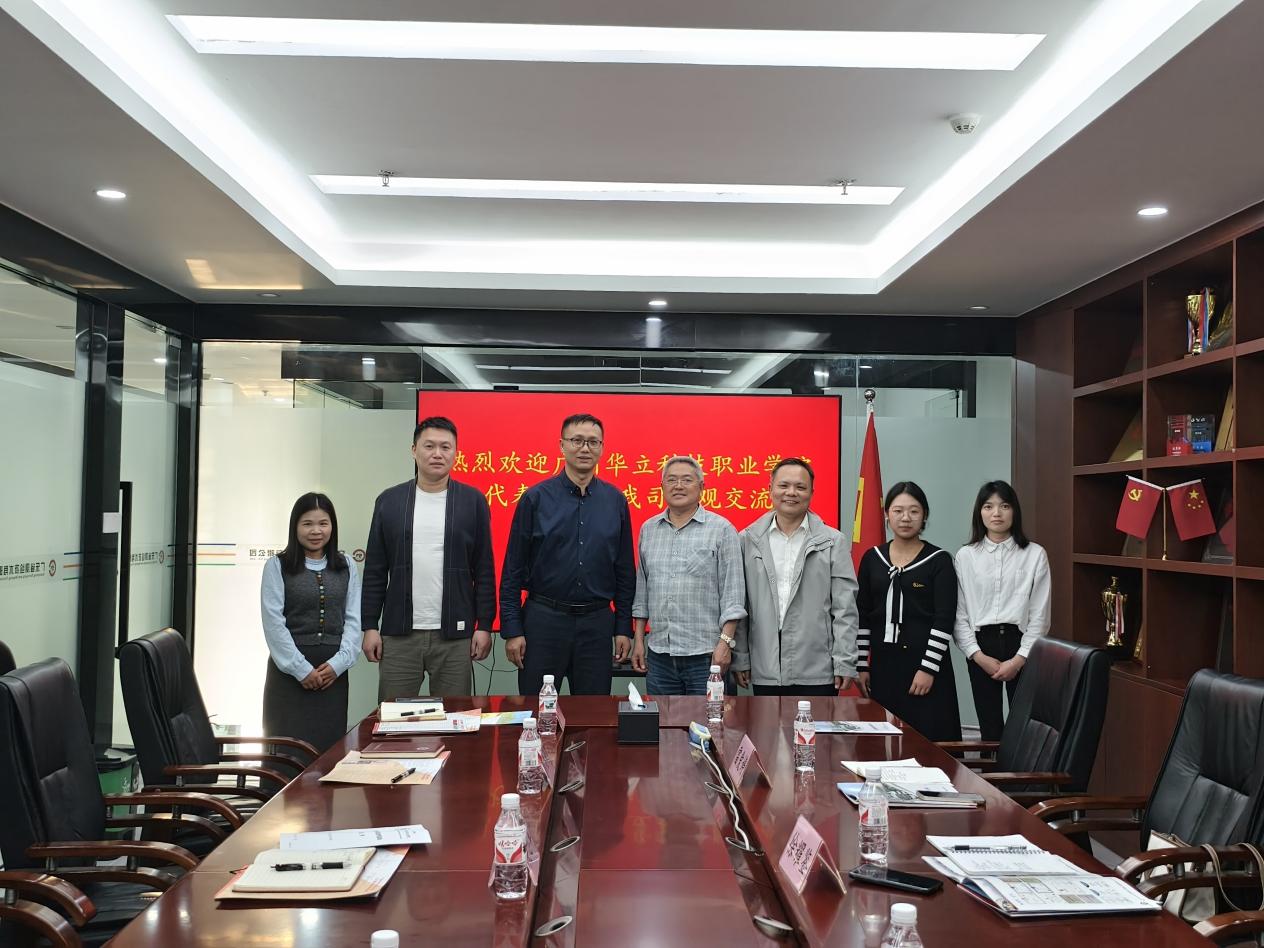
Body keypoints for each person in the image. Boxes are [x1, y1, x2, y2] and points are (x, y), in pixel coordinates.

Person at [361, 417, 496, 700]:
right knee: (394, 717)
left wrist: (484, 625)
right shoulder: (390, 501)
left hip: (454, 636)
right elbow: (375, 570)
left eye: (445, 447)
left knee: (454, 716)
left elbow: (484, 569)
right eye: (429, 446)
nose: (437, 454)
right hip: (399, 635)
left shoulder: (472, 501)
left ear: (455, 453)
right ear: (414, 450)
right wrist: (370, 625)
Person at [500, 413, 634, 696]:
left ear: (602, 448)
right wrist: (512, 629)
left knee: (593, 713)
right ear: (562, 445)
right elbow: (512, 569)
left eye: (593, 442)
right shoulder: (535, 498)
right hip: (543, 621)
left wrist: (624, 627)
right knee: (537, 710)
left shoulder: (615, 501)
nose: (585, 448)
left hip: (596, 624)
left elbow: (624, 571)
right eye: (577, 441)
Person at [733, 457, 859, 696]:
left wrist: (845, 660)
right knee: (767, 723)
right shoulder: (747, 540)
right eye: (784, 485)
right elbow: (740, 605)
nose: (791, 493)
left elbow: (845, 608)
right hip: (765, 667)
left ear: (811, 492)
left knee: (817, 723)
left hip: (818, 669)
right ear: (770, 489)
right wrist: (740, 657)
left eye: (800, 487)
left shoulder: (832, 541)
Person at [630, 456, 745, 695]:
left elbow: (733, 596)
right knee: (663, 719)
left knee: (710, 719)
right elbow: (642, 592)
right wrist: (639, 640)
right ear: (662, 487)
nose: (678, 486)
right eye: (671, 480)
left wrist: (725, 644)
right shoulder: (649, 530)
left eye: (686, 480)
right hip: (659, 656)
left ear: (702, 487)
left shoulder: (722, 529)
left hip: (706, 656)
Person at [855, 481, 961, 742]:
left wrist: (928, 669)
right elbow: (863, 614)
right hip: (883, 666)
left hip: (925, 665)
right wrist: (861, 664)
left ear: (924, 516)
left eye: (914, 511)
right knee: (883, 741)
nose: (905, 518)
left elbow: (944, 619)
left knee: (929, 742)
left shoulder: (939, 560)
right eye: (898, 511)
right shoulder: (872, 558)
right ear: (887, 514)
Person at [260, 493, 362, 753]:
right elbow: (274, 624)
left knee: (327, 753)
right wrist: (300, 669)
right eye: (307, 523)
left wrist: (339, 664)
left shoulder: (346, 565)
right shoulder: (277, 566)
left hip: (332, 674)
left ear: (332, 526)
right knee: (286, 753)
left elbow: (353, 619)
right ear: (295, 527)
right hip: (289, 673)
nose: (316, 531)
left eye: (323, 523)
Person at [953, 480, 1052, 742]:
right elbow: (960, 614)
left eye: (1004, 506)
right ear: (980, 512)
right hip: (980, 645)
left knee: (1023, 727)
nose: (996, 513)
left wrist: (1019, 660)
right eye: (988, 506)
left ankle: (1018, 772)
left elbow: (1040, 615)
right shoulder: (965, 556)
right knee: (989, 728)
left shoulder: (1035, 554)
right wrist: (976, 655)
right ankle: (990, 770)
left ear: (1014, 511)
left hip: (1022, 644)